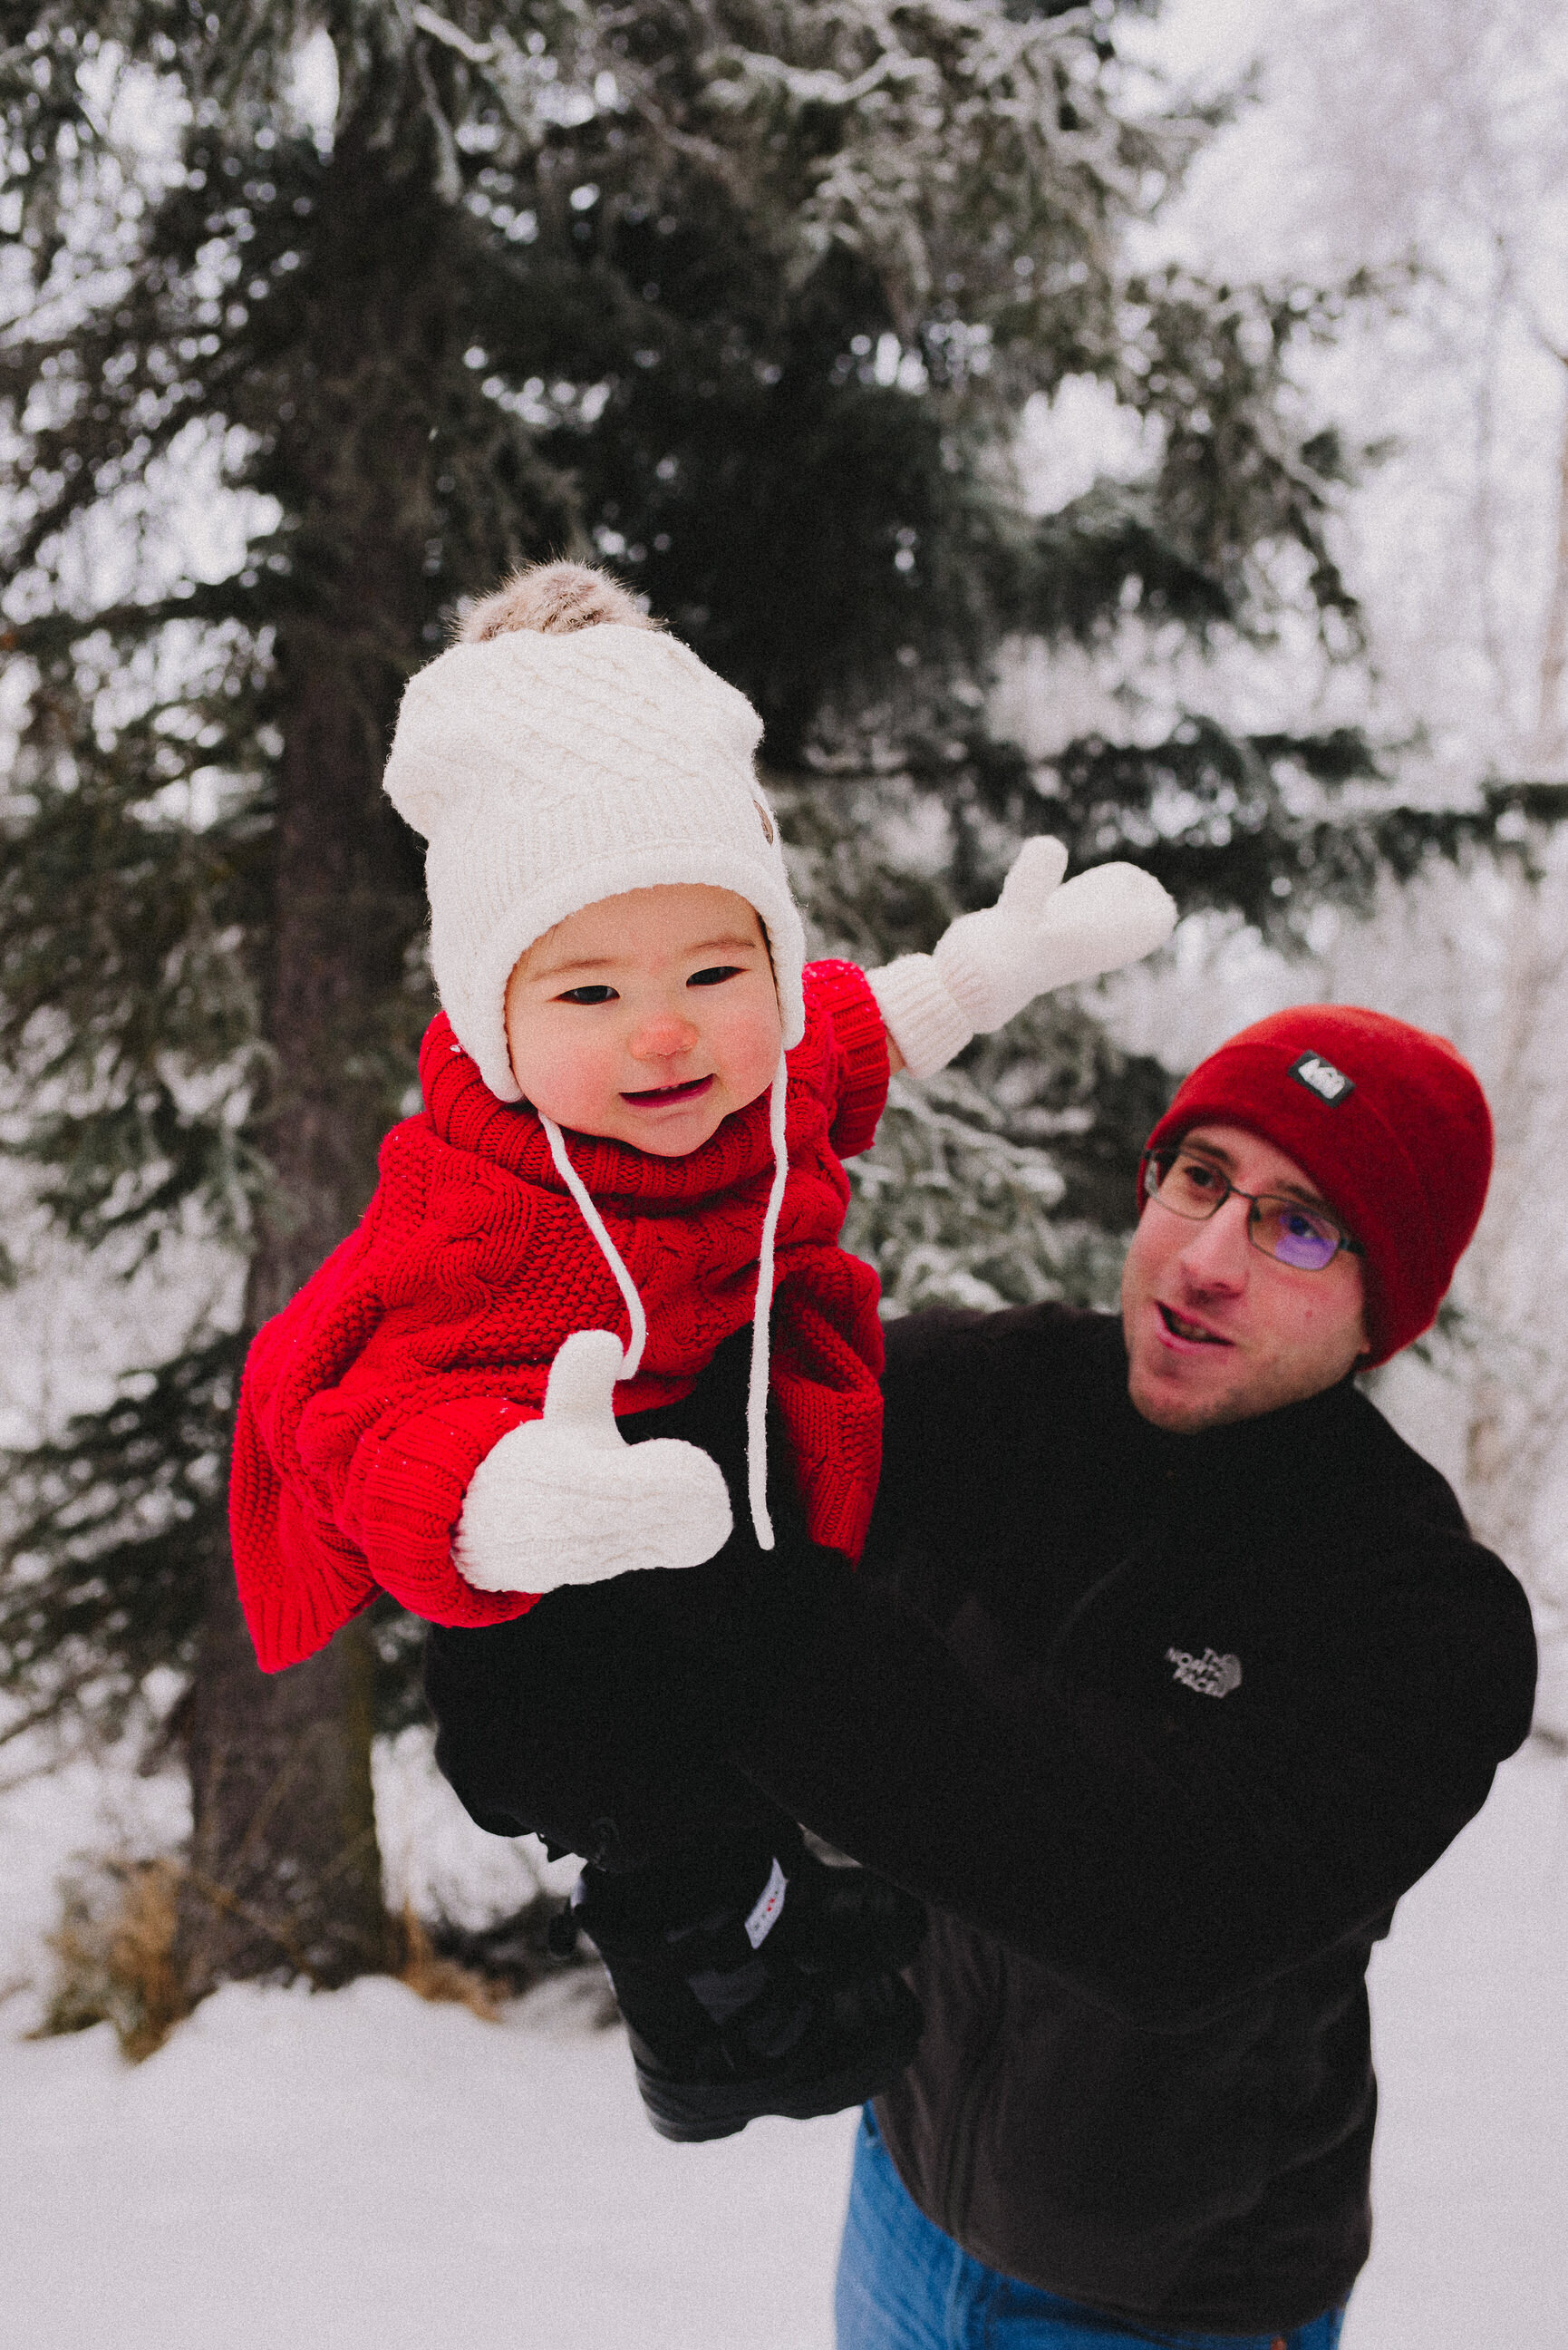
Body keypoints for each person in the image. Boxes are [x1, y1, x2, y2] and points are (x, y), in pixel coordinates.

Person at [227, 560, 1175, 2144]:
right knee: (649, 1813)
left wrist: (984, 972)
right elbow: (362, 1427)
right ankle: (720, 2035)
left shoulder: (762, 1077)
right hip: (552, 1592)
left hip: (717, 1511)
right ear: (493, 1016)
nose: (666, 1033)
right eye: (591, 990)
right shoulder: (479, 1214)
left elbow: (852, 1031)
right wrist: (500, 1496)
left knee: (750, 1749)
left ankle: (773, 1936)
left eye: (714, 974)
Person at [437, 998, 1534, 2345]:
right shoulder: (974, 1396)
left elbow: (1170, 1916)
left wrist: (767, 1641)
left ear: (1388, 1305)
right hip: (904, 2205)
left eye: (1297, 1225)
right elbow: (668, 1446)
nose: (1202, 1261)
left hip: (1177, 2302)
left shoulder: (1418, 1615)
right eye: (1198, 1180)